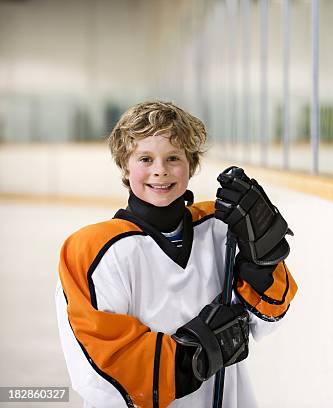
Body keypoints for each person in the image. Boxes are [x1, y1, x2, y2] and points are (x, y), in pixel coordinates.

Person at [55, 101, 297, 408]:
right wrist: (196, 353)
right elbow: (102, 370)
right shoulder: (93, 250)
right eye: (145, 158)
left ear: (191, 165)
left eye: (173, 158)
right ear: (125, 166)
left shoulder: (221, 226)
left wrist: (263, 260)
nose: (160, 170)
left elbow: (263, 321)